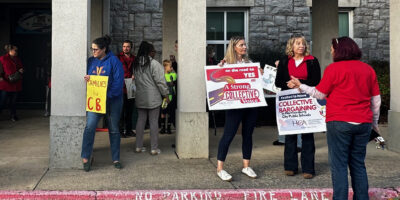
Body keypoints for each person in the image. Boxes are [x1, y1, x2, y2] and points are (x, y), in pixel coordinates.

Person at [288, 36, 381, 200]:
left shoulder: (333, 69)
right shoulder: (368, 69)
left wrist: (300, 85)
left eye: (332, 49)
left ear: (339, 50)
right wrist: (374, 124)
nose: (330, 52)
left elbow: (320, 93)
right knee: (358, 164)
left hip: (339, 122)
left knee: (339, 166)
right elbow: (376, 101)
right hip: (363, 123)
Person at [275, 33, 321, 179]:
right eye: (298, 43)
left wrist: (299, 82)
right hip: (290, 103)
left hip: (307, 102)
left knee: (307, 135)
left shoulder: (312, 61)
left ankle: (308, 169)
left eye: (303, 43)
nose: (301, 46)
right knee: (290, 135)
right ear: (291, 46)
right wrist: (288, 84)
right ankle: (290, 167)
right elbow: (278, 82)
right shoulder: (284, 61)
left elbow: (316, 80)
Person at [216, 36, 259, 181]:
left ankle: (246, 166)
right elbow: (215, 79)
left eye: (245, 45)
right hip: (234, 106)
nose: (244, 47)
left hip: (250, 104)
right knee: (228, 134)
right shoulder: (226, 64)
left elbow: (257, 80)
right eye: (241, 45)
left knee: (248, 134)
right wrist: (219, 68)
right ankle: (220, 168)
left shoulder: (250, 63)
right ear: (234, 47)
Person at [81, 35, 124, 172]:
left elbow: (118, 84)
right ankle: (86, 157)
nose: (93, 52)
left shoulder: (114, 62)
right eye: (92, 49)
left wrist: (106, 96)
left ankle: (116, 158)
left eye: (96, 50)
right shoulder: (90, 61)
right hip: (95, 101)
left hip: (113, 101)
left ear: (104, 49)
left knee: (113, 129)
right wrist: (87, 79)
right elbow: (89, 78)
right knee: (90, 127)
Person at [133, 41, 169, 155]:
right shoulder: (154, 64)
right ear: (149, 52)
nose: (154, 53)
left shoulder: (136, 63)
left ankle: (138, 146)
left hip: (140, 96)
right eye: (153, 51)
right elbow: (160, 82)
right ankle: (154, 148)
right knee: (154, 122)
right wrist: (166, 94)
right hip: (153, 97)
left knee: (140, 121)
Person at [117, 40, 136, 138]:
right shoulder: (118, 57)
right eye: (124, 46)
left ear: (131, 48)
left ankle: (129, 130)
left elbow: (137, 70)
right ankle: (120, 131)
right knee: (121, 111)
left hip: (131, 86)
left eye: (128, 46)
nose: (125, 48)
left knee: (130, 110)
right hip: (121, 87)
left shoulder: (134, 58)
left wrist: (135, 75)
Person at [0, 44, 24, 121]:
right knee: (2, 101)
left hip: (15, 83)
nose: (16, 52)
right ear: (10, 50)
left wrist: (21, 70)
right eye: (15, 50)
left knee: (13, 102)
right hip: (5, 83)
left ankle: (13, 115)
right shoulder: (3, 58)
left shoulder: (17, 59)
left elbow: (21, 68)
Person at [160, 60, 177, 135]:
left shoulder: (172, 75)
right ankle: (163, 127)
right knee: (163, 112)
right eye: (170, 66)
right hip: (164, 97)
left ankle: (169, 127)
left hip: (171, 96)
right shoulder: (162, 76)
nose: (171, 68)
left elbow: (175, 80)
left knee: (170, 112)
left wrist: (173, 72)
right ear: (165, 67)